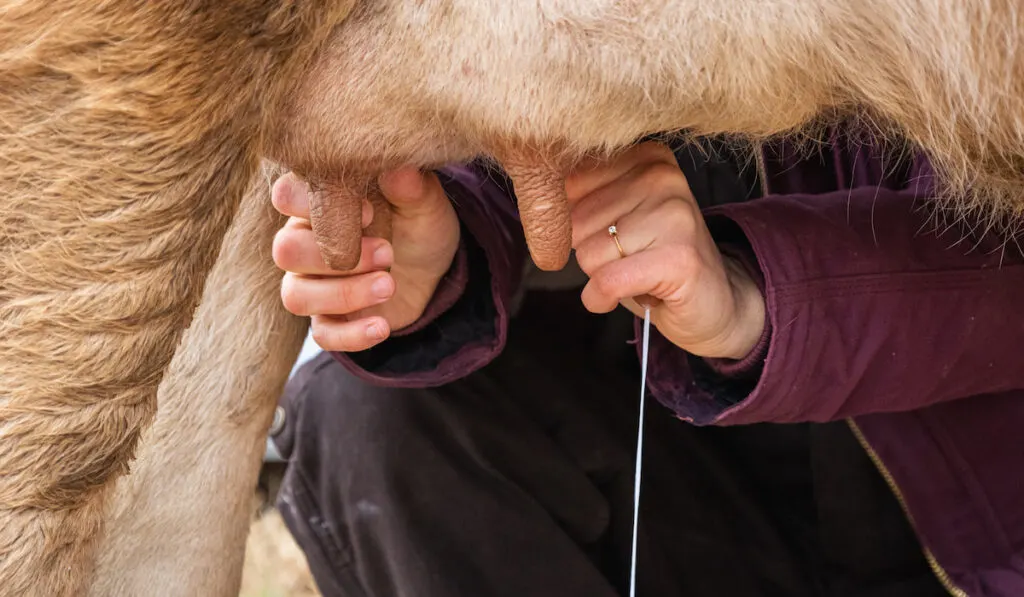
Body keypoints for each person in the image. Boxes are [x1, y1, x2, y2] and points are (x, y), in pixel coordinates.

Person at [267, 133, 1024, 597]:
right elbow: (529, 91)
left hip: (979, 540)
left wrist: (756, 298)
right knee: (366, 421)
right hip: (707, 494)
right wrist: (442, 253)